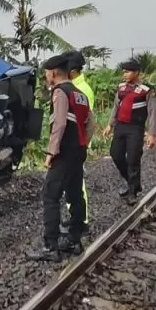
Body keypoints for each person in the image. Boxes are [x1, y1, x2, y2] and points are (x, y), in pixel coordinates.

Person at [28, 53, 95, 261]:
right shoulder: (79, 93)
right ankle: (74, 240)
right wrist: (82, 141)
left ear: (54, 72)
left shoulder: (60, 92)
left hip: (64, 152)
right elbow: (91, 124)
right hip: (78, 151)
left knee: (51, 195)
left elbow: (59, 123)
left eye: (46, 73)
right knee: (75, 194)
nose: (46, 76)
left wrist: (51, 152)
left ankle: (51, 246)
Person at [104, 59, 156, 205]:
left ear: (136, 72)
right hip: (121, 127)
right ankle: (131, 181)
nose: (125, 74)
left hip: (135, 128)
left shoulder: (147, 89)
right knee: (115, 154)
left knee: (133, 159)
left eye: (128, 71)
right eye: (123, 71)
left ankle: (132, 191)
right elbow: (116, 107)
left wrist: (152, 134)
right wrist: (110, 125)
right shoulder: (121, 88)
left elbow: (153, 112)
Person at [60, 50, 93, 237]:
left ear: (72, 70)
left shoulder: (82, 90)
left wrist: (81, 144)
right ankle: (77, 217)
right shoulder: (75, 87)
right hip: (75, 144)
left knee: (78, 184)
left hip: (76, 144)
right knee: (73, 183)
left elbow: (88, 121)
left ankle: (82, 220)